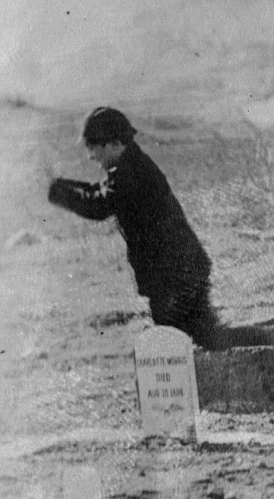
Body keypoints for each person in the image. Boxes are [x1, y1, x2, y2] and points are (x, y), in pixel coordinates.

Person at [48, 106, 221, 349]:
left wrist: (56, 191)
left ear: (114, 144)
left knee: (179, 344)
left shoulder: (129, 174)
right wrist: (60, 185)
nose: (90, 156)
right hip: (179, 272)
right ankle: (269, 341)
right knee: (199, 340)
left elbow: (97, 206)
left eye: (93, 147)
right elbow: (98, 189)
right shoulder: (129, 164)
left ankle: (271, 341)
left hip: (175, 276)